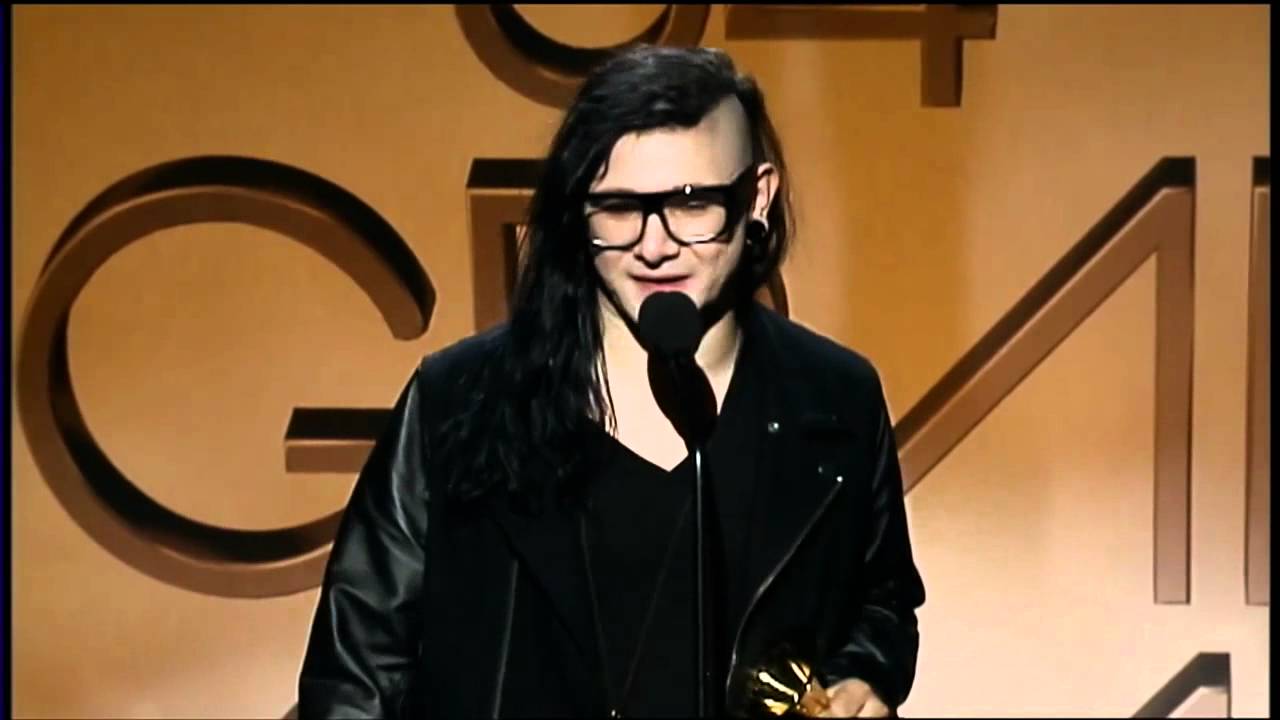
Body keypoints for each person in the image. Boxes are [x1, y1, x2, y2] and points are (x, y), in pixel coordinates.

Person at [297, 44, 925, 719]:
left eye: (691, 204)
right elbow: (357, 671)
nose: (654, 246)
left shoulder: (835, 400)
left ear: (757, 198)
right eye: (621, 207)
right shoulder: (459, 399)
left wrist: (864, 674)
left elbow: (884, 602)